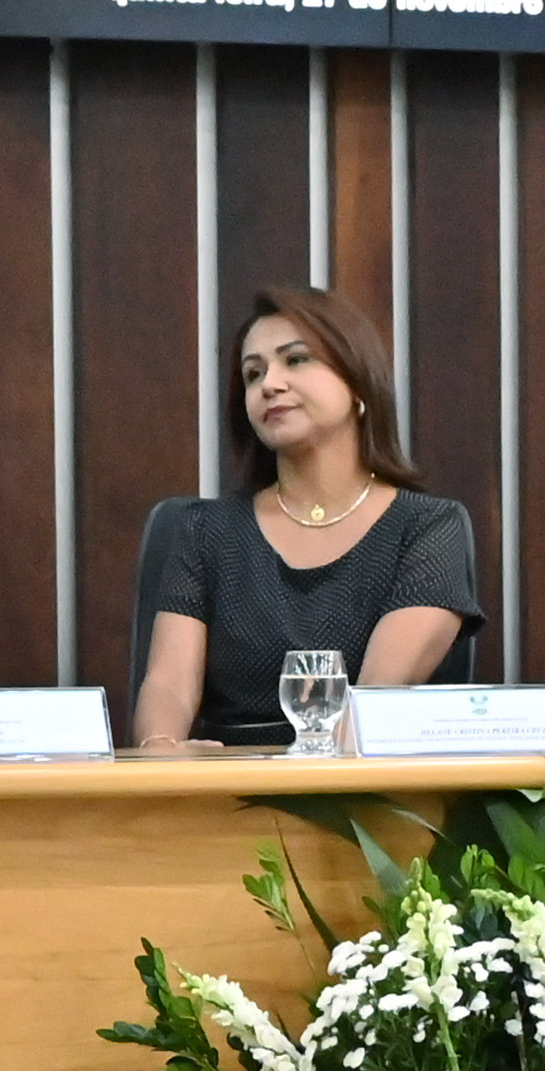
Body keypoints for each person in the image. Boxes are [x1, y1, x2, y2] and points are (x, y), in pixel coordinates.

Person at [126, 287, 483, 751]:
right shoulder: (204, 529)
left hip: (362, 784)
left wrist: (302, 783)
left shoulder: (427, 526)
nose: (269, 384)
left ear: (358, 384)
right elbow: (169, 683)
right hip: (227, 782)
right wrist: (160, 749)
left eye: (295, 360)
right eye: (253, 373)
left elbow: (374, 698)